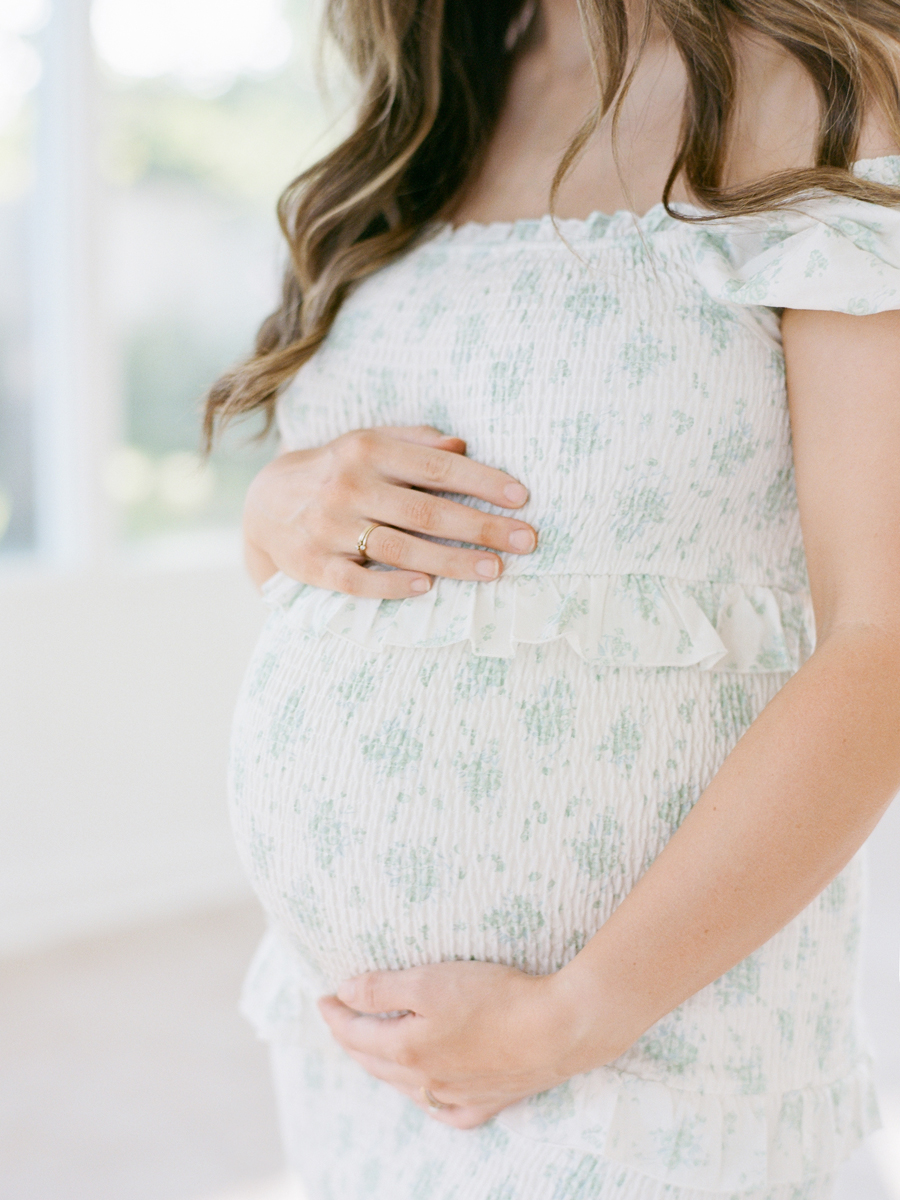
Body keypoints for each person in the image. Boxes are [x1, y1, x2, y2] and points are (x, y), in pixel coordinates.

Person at [207, 1, 900, 1196]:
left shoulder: (824, 89)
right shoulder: (430, 106)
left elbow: (881, 637)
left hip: (645, 1057)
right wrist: (277, 509)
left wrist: (575, 1015)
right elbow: (343, 562)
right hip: (370, 1072)